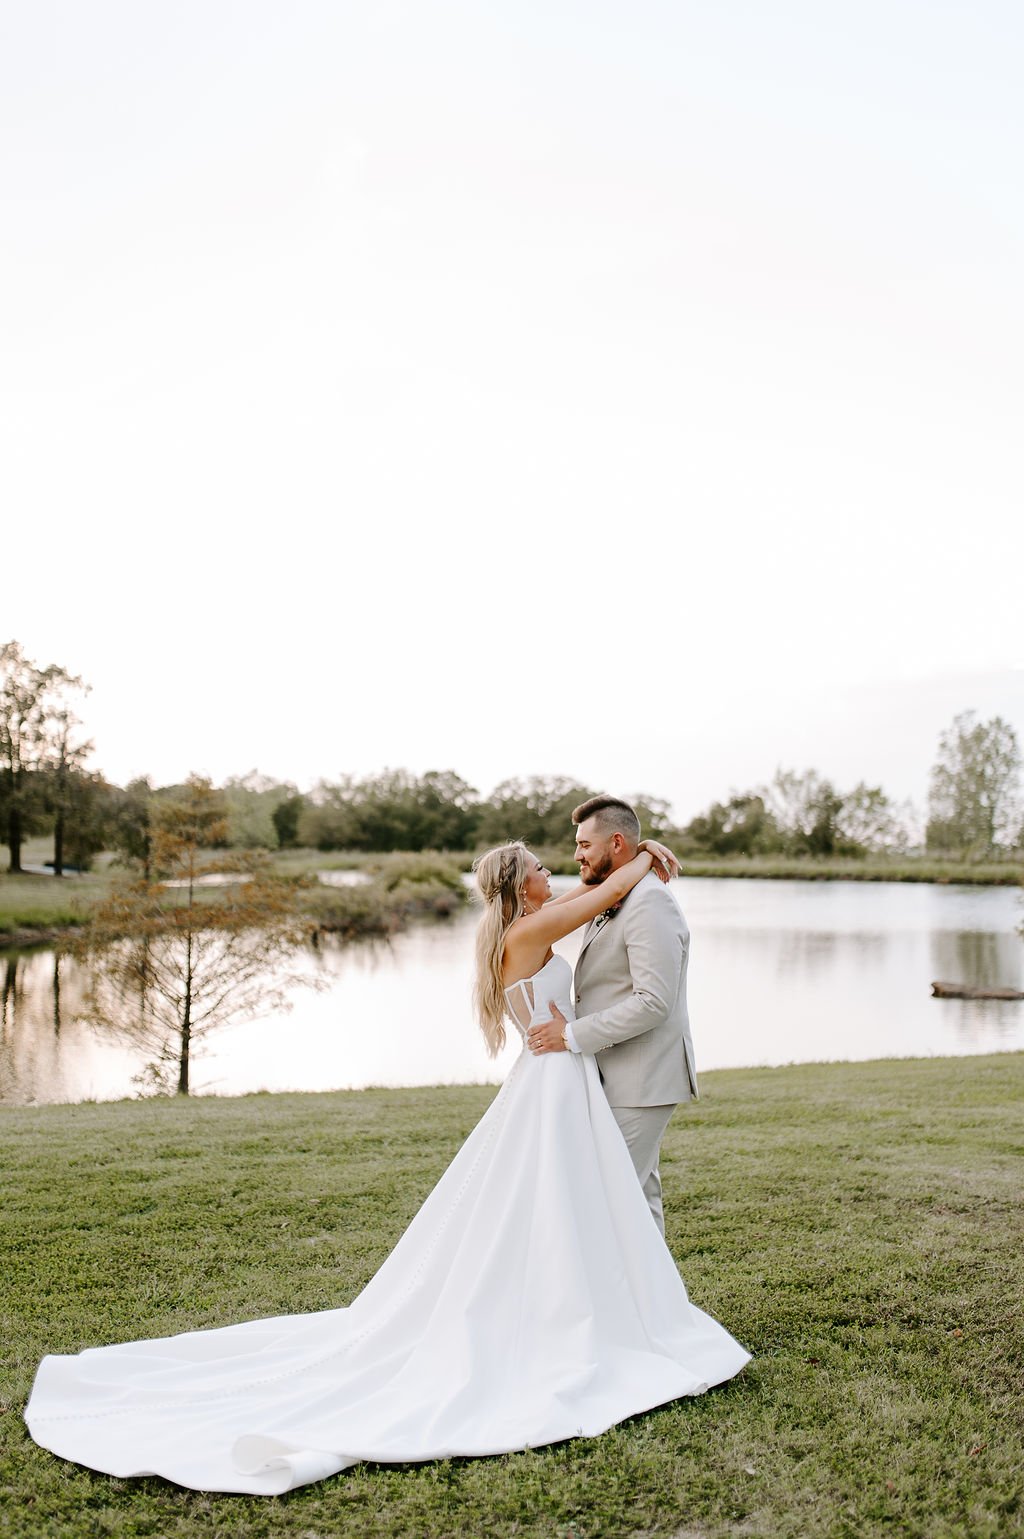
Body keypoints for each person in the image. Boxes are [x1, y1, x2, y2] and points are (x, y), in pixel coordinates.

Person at [23, 840, 749, 1496]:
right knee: (551, 1200)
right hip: (553, 1084)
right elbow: (597, 898)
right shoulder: (530, 931)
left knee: (563, 1199)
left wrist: (634, 864)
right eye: (538, 867)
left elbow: (592, 899)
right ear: (516, 888)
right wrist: (647, 856)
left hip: (562, 1084)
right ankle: (567, 1309)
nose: (550, 871)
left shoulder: (530, 920)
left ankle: (593, 1298)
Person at [527, 795, 696, 1235]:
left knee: (607, 1194)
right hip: (615, 1072)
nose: (576, 854)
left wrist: (570, 1036)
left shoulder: (649, 902)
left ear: (616, 842)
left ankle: (625, 1301)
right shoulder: (613, 892)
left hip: (643, 1077)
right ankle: (653, 1303)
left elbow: (653, 1001)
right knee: (637, 1198)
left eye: (584, 844)